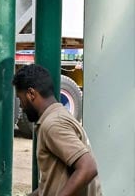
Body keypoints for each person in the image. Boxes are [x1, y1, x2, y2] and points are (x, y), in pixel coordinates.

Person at [13, 65, 102, 196]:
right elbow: (54, 183)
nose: (21, 105)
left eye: (21, 99)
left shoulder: (54, 124)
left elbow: (88, 168)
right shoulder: (57, 117)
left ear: (31, 94)